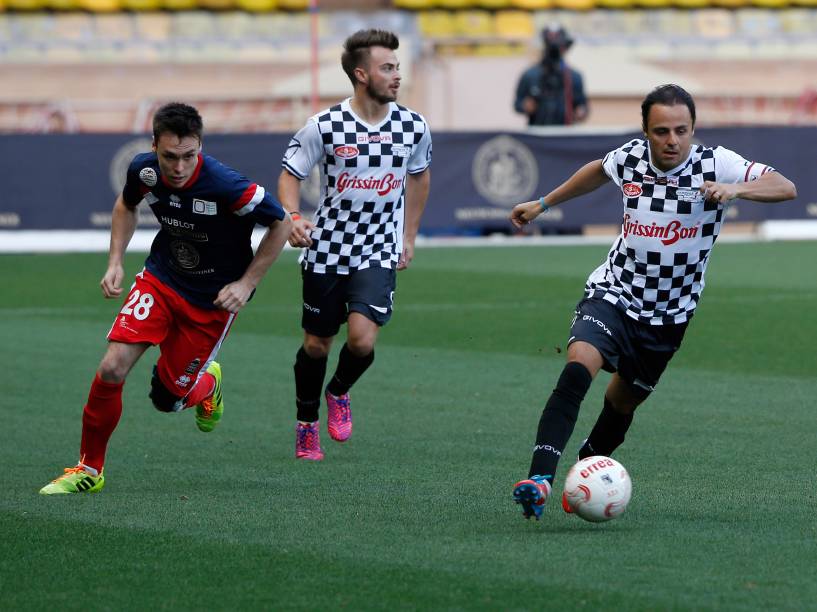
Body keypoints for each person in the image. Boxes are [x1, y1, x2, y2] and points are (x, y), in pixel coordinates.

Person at [508, 84, 797, 519]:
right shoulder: (630, 158)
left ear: (693, 129)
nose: (672, 140)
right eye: (661, 131)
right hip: (615, 292)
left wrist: (736, 190)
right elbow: (598, 170)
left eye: (681, 130)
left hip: (668, 315)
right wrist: (544, 203)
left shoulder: (718, 163)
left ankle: (585, 472)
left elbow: (785, 186)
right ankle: (539, 478)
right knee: (578, 365)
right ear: (645, 130)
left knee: (622, 404)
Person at [39, 102, 292, 495]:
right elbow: (126, 204)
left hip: (211, 303)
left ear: (200, 148)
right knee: (111, 368)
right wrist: (115, 262)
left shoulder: (227, 185)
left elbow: (282, 224)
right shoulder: (144, 170)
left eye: (189, 156)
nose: (178, 167)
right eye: (169, 157)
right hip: (161, 280)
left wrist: (245, 284)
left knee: (168, 400)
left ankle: (207, 383)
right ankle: (89, 469)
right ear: (155, 146)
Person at [278, 29, 432, 461]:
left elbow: (420, 176)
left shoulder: (413, 126)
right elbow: (290, 173)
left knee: (363, 342)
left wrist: (409, 235)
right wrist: (292, 217)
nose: (397, 75)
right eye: (388, 68)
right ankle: (306, 424)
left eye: (397, 67)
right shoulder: (324, 126)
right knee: (316, 346)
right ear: (361, 74)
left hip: (378, 249)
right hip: (326, 249)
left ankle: (339, 392)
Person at [514, 25, 588, 127]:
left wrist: (581, 112)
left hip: (566, 135)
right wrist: (525, 106)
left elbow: (583, 106)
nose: (554, 51)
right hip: (537, 134)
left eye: (558, 46)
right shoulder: (530, 74)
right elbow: (517, 104)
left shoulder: (574, 76)